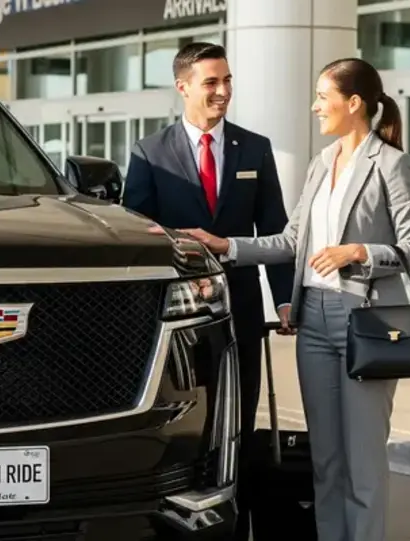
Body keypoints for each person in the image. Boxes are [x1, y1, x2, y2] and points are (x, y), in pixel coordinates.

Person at [159, 57, 410, 541]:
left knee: (362, 461)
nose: (314, 107)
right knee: (325, 461)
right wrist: (227, 246)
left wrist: (360, 251)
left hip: (363, 323)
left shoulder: (391, 163)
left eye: (323, 97)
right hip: (315, 322)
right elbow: (291, 241)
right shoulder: (321, 163)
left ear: (354, 103)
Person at [122, 42, 294, 541]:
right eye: (211, 82)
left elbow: (276, 232)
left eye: (227, 80)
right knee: (183, 427)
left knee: (237, 424)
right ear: (183, 87)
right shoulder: (149, 153)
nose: (223, 92)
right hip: (176, 322)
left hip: (240, 313)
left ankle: (235, 523)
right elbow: (140, 233)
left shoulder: (254, 148)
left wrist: (284, 300)